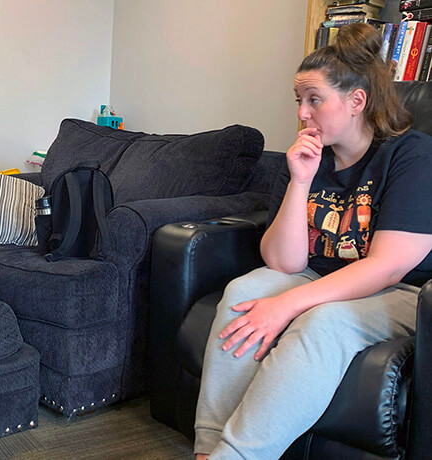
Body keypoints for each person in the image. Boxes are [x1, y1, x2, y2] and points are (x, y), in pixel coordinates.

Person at [193, 23, 432, 460]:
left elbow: (388, 266)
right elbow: (283, 262)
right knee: (242, 294)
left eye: (314, 100)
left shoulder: (411, 155)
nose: (302, 113)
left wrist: (288, 304)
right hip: (318, 275)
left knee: (321, 323)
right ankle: (208, 452)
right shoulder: (303, 155)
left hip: (402, 292)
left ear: (356, 101)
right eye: (299, 101)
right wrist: (300, 182)